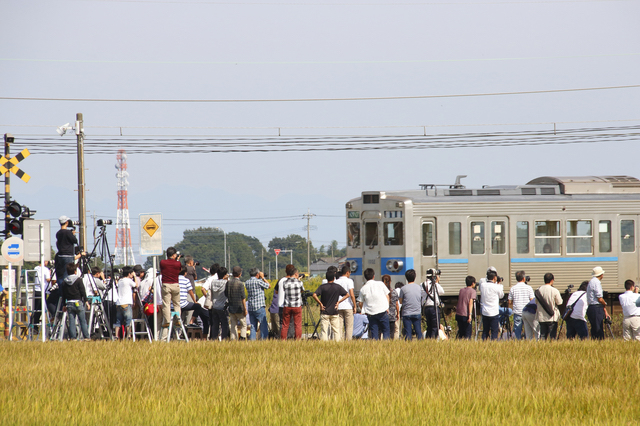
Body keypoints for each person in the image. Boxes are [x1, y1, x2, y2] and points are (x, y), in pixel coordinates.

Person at [313, 268, 349, 341]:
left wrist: (320, 303)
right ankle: (337, 344)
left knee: (324, 331)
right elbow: (347, 295)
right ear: (334, 278)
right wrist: (338, 302)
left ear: (326, 278)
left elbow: (314, 295)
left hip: (324, 311)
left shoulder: (322, 287)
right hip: (334, 311)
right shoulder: (337, 287)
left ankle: (324, 345)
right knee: (336, 330)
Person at [357, 268, 390, 340]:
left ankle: (375, 347)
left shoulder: (363, 288)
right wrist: (387, 307)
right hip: (382, 310)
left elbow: (360, 303)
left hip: (371, 313)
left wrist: (364, 310)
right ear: (373, 276)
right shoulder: (380, 284)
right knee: (385, 330)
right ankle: (387, 346)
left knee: (374, 331)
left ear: (365, 277)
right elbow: (387, 296)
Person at [62, 262, 90, 341]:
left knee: (71, 321)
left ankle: (73, 337)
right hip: (78, 302)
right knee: (82, 321)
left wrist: (64, 304)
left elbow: (63, 294)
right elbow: (82, 291)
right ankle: (86, 337)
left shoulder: (65, 281)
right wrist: (86, 301)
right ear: (75, 271)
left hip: (69, 303)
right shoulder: (78, 280)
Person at [178, 266, 210, 337]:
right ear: (185, 273)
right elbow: (190, 291)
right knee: (198, 306)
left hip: (176, 305)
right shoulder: (186, 280)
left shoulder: (175, 280)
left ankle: (178, 333)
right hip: (184, 304)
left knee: (180, 318)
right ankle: (191, 321)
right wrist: (195, 301)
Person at [160, 247, 182, 339]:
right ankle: (178, 319)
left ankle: (167, 320)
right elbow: (179, 270)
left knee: (166, 304)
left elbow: (162, 269)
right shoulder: (178, 263)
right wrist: (177, 260)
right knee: (177, 304)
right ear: (174, 255)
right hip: (175, 285)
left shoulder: (162, 262)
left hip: (166, 285)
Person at [245, 267, 271, 340]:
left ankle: (252, 341)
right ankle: (264, 340)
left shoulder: (247, 282)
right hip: (259, 306)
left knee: (253, 326)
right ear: (257, 274)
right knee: (263, 324)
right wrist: (263, 278)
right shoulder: (258, 281)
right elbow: (269, 286)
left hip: (251, 307)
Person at [280, 265, 305, 340]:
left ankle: (283, 340)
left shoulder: (285, 283)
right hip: (297, 306)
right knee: (297, 324)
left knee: (285, 325)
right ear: (296, 274)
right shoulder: (299, 283)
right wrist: (299, 279)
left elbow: (284, 289)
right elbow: (302, 290)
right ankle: (297, 340)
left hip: (287, 305)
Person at [535, 273, 562, 340]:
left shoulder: (539, 290)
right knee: (552, 336)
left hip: (541, 317)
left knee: (543, 335)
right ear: (552, 280)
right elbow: (559, 302)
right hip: (552, 317)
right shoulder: (554, 290)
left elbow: (536, 302)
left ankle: (542, 348)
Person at [508, 271, 535, 339]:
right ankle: (527, 343)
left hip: (517, 312)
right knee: (528, 330)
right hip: (527, 312)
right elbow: (532, 300)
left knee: (517, 329)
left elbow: (509, 301)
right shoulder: (529, 288)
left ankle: (518, 343)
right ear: (523, 278)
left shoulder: (513, 288)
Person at [586, 266, 611, 340]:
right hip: (596, 307)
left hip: (591, 307)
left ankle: (594, 342)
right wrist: (604, 303)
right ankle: (600, 342)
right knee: (599, 328)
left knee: (594, 328)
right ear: (601, 275)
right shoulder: (596, 282)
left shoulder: (591, 281)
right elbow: (599, 298)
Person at [399, 269, 423, 341]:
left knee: (408, 333)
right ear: (415, 277)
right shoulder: (419, 288)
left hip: (407, 313)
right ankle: (422, 345)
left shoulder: (403, 288)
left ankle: (408, 346)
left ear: (406, 278)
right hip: (417, 312)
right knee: (418, 331)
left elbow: (400, 301)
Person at [114, 266, 138, 339]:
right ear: (129, 274)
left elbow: (117, 285)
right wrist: (135, 277)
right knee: (128, 321)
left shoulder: (120, 280)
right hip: (126, 303)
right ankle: (129, 336)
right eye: (131, 274)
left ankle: (116, 336)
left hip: (119, 303)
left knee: (118, 321)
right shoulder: (128, 280)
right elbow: (136, 285)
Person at [480, 269, 504, 340]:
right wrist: (499, 285)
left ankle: (483, 343)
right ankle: (494, 344)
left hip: (485, 311)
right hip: (494, 312)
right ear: (495, 278)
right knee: (494, 331)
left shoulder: (482, 285)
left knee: (485, 331)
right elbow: (501, 295)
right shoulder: (496, 286)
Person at [206, 266, 229, 340]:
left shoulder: (213, 282)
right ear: (225, 275)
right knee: (224, 324)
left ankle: (214, 339)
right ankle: (224, 339)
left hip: (214, 306)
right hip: (222, 307)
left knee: (215, 324)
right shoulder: (226, 283)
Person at [335, 264, 357, 341]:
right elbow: (352, 294)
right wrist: (355, 306)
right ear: (347, 272)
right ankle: (348, 342)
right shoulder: (349, 281)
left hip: (338, 306)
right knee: (349, 326)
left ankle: (339, 341)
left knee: (339, 326)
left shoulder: (336, 281)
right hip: (348, 306)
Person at [55, 216, 79, 284]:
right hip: (68, 255)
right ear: (66, 222)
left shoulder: (58, 233)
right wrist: (73, 234)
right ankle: (66, 291)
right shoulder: (68, 232)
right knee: (67, 275)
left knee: (60, 275)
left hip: (60, 255)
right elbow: (74, 241)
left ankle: (61, 292)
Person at [225, 266, 247, 340]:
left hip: (231, 307)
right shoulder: (240, 284)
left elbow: (226, 294)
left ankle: (233, 339)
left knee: (233, 325)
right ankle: (242, 338)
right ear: (240, 274)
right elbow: (243, 297)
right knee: (243, 324)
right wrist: (245, 308)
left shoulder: (228, 283)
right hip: (239, 308)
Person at [421, 271, 444, 338]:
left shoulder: (422, 284)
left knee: (429, 326)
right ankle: (434, 339)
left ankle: (428, 339)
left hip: (426, 307)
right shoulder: (435, 284)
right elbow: (442, 292)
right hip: (434, 307)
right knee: (435, 326)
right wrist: (437, 281)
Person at [31, 260, 52, 330]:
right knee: (40, 308)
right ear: (44, 261)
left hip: (36, 290)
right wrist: (50, 274)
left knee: (36, 308)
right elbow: (48, 279)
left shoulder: (36, 268)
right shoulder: (46, 269)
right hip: (43, 290)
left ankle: (33, 323)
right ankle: (35, 325)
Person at [382, 275, 400, 340]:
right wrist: (397, 314)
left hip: (383, 315)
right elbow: (397, 304)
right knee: (392, 332)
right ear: (390, 282)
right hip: (392, 316)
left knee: (384, 332)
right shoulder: (394, 292)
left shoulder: (381, 292)